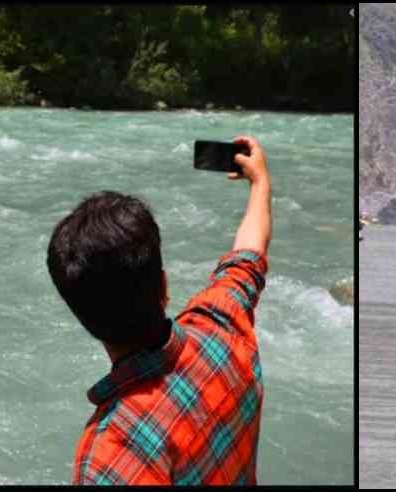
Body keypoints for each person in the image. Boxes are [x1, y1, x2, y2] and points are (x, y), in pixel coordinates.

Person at [48, 136, 271, 485]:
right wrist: (260, 183)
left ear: (82, 318)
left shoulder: (111, 456)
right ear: (164, 287)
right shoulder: (222, 323)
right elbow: (249, 253)